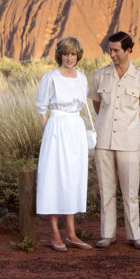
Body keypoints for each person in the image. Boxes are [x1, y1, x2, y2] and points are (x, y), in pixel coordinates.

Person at [88, 31, 140, 250]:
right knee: (106, 190)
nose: (112, 54)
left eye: (116, 50)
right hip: (104, 140)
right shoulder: (101, 75)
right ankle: (107, 235)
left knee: (130, 191)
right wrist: (108, 123)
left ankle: (135, 235)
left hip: (128, 141)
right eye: (110, 50)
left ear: (128, 50)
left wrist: (128, 124)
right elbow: (97, 105)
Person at [35, 36, 93, 252]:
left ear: (78, 56)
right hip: (56, 129)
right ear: (60, 55)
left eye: (74, 54)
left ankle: (72, 234)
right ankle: (56, 234)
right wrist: (48, 135)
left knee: (72, 178)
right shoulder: (50, 78)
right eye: (66, 54)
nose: (70, 58)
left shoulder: (82, 78)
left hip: (76, 128)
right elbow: (41, 110)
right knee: (54, 177)